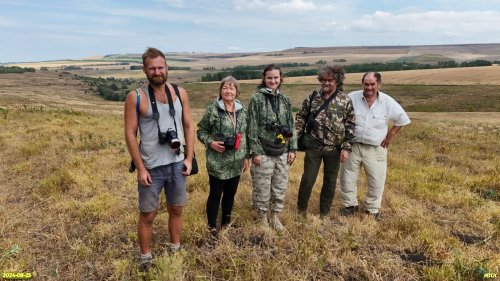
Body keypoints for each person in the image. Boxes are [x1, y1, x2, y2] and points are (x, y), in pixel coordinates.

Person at [124, 47, 195, 272]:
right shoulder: (136, 97)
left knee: (177, 209)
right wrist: (141, 168)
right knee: (148, 214)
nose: (157, 71)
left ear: (167, 68)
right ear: (144, 70)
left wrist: (189, 158)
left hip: (177, 163)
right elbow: (130, 134)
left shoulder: (180, 92)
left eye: (160, 67)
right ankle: (146, 258)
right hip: (152, 167)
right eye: (152, 68)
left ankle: (175, 248)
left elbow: (188, 125)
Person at [339, 72, 410, 220]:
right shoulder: (352, 97)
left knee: (376, 179)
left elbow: (402, 119)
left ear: (379, 85)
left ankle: (372, 209)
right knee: (347, 177)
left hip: (375, 148)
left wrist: (390, 136)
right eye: (366, 84)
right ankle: (349, 205)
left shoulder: (387, 102)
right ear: (362, 84)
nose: (369, 87)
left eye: (372, 84)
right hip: (353, 145)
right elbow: (340, 116)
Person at [295, 65, 355, 218]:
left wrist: (346, 148)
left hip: (334, 149)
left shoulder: (345, 100)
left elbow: (350, 124)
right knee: (308, 179)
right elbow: (301, 117)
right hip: (313, 146)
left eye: (330, 80)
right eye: (324, 80)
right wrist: (295, 140)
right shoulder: (313, 96)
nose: (326, 83)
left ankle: (324, 212)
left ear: (337, 81)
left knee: (330, 182)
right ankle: (301, 210)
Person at [197, 76, 249, 239]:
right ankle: (212, 226)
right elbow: (201, 131)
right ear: (220, 91)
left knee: (231, 193)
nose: (228, 91)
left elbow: (245, 135)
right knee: (215, 193)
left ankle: (226, 222)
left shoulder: (242, 111)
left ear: (237, 92)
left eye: (232, 88)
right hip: (217, 161)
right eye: (225, 87)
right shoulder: (213, 109)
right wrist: (210, 142)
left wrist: (246, 156)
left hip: (236, 161)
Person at [247, 64, 297, 231]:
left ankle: (275, 216)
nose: (273, 81)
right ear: (264, 78)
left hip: (282, 150)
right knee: (262, 186)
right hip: (263, 151)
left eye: (276, 78)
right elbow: (251, 126)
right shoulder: (256, 99)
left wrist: (292, 149)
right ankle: (262, 218)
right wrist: (255, 151)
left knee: (279, 185)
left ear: (281, 78)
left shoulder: (285, 100)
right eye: (269, 78)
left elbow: (291, 126)